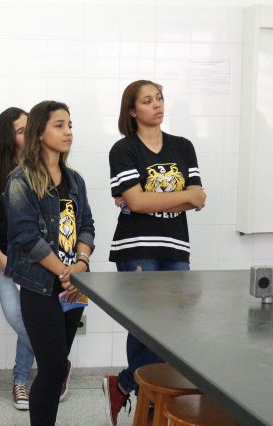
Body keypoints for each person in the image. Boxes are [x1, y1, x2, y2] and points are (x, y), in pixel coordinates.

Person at [103, 80, 206, 426]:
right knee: (146, 328)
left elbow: (199, 198)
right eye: (147, 101)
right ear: (132, 111)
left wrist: (148, 199)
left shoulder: (183, 146)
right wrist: (180, 197)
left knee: (173, 328)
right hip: (136, 247)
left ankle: (126, 384)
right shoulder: (124, 149)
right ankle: (147, 404)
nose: (157, 105)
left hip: (175, 247)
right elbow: (136, 202)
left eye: (159, 98)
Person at [4, 100, 95, 426]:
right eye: (59, 125)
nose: (68, 131)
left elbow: (87, 225)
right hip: (41, 285)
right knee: (52, 366)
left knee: (57, 367)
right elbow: (26, 237)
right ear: (39, 133)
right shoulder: (21, 180)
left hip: (76, 283)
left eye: (70, 124)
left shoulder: (76, 180)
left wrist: (80, 264)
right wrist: (65, 272)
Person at [0, 107, 37, 410]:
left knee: (33, 319)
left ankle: (20, 380)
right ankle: (57, 360)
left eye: (30, 127)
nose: (29, 134)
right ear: (7, 137)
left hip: (40, 257)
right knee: (17, 317)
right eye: (21, 130)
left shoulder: (43, 165)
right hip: (5, 254)